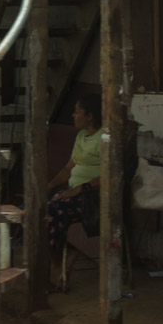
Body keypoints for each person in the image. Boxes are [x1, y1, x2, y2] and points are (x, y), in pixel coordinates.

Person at [45, 92, 103, 292]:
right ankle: (65, 256)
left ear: (90, 116)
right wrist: (49, 186)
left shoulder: (104, 138)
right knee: (38, 209)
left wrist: (79, 189)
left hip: (93, 197)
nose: (73, 115)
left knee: (52, 211)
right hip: (74, 193)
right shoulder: (80, 136)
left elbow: (110, 175)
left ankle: (58, 269)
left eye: (77, 112)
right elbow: (68, 169)